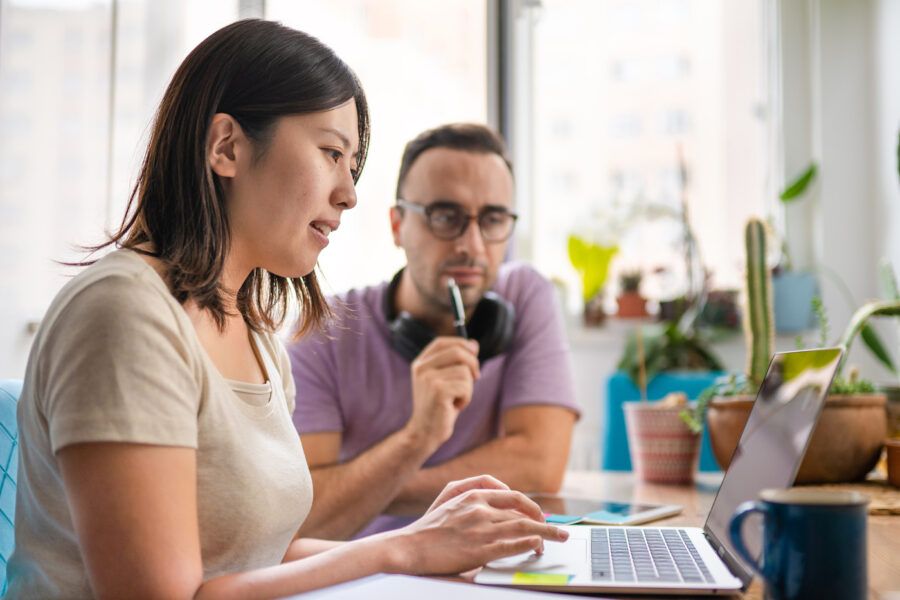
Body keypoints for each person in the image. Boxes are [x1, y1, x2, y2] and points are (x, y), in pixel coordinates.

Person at [7, 20, 568, 598]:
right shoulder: (124, 314)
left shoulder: (255, 333)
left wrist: (430, 545)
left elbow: (265, 553)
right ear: (226, 146)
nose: (349, 193)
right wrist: (400, 548)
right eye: (331, 153)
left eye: (351, 165)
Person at [289, 123, 580, 541]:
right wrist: (417, 438)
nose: (473, 246)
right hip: (369, 569)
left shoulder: (526, 294)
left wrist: (369, 488)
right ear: (396, 225)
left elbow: (540, 466)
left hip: (490, 564)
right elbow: (304, 516)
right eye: (446, 217)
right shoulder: (324, 327)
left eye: (494, 219)